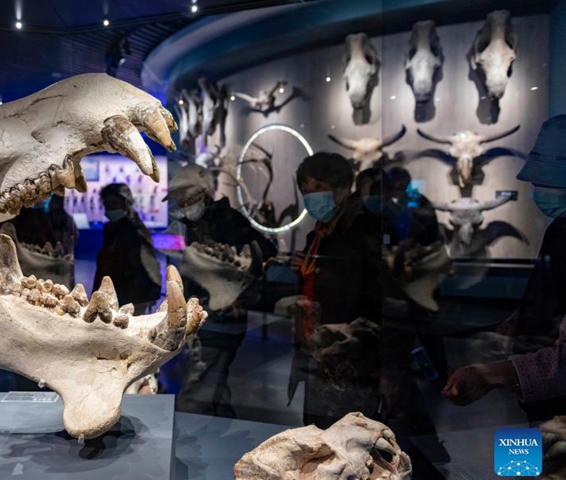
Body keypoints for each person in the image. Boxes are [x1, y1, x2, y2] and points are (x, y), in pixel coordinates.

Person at [442, 115, 566, 415]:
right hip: (544, 401)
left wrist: (494, 373)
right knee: (530, 457)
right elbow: (551, 290)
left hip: (557, 402)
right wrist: (520, 318)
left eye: (549, 182)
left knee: (538, 459)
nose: (539, 190)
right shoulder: (560, 229)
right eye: (538, 182)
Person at [165, 164, 276, 416]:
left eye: (187, 195)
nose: (182, 202)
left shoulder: (230, 221)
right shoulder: (186, 228)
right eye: (179, 198)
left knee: (200, 385)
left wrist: (237, 294)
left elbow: (264, 253)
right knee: (214, 382)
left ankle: (186, 436)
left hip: (220, 321)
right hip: (199, 317)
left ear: (204, 193)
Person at [288, 152, 382, 428]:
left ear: (342, 187)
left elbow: (372, 292)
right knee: (318, 431)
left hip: (349, 355)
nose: (310, 196)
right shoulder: (317, 235)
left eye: (318, 187)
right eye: (305, 190)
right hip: (315, 351)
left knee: (349, 435)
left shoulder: (363, 231)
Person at [93, 183, 161, 314]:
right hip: (115, 290)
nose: (111, 208)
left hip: (135, 292)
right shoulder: (110, 228)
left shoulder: (135, 228)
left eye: (115, 203)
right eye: (107, 204)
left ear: (125, 203)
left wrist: (153, 287)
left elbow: (148, 260)